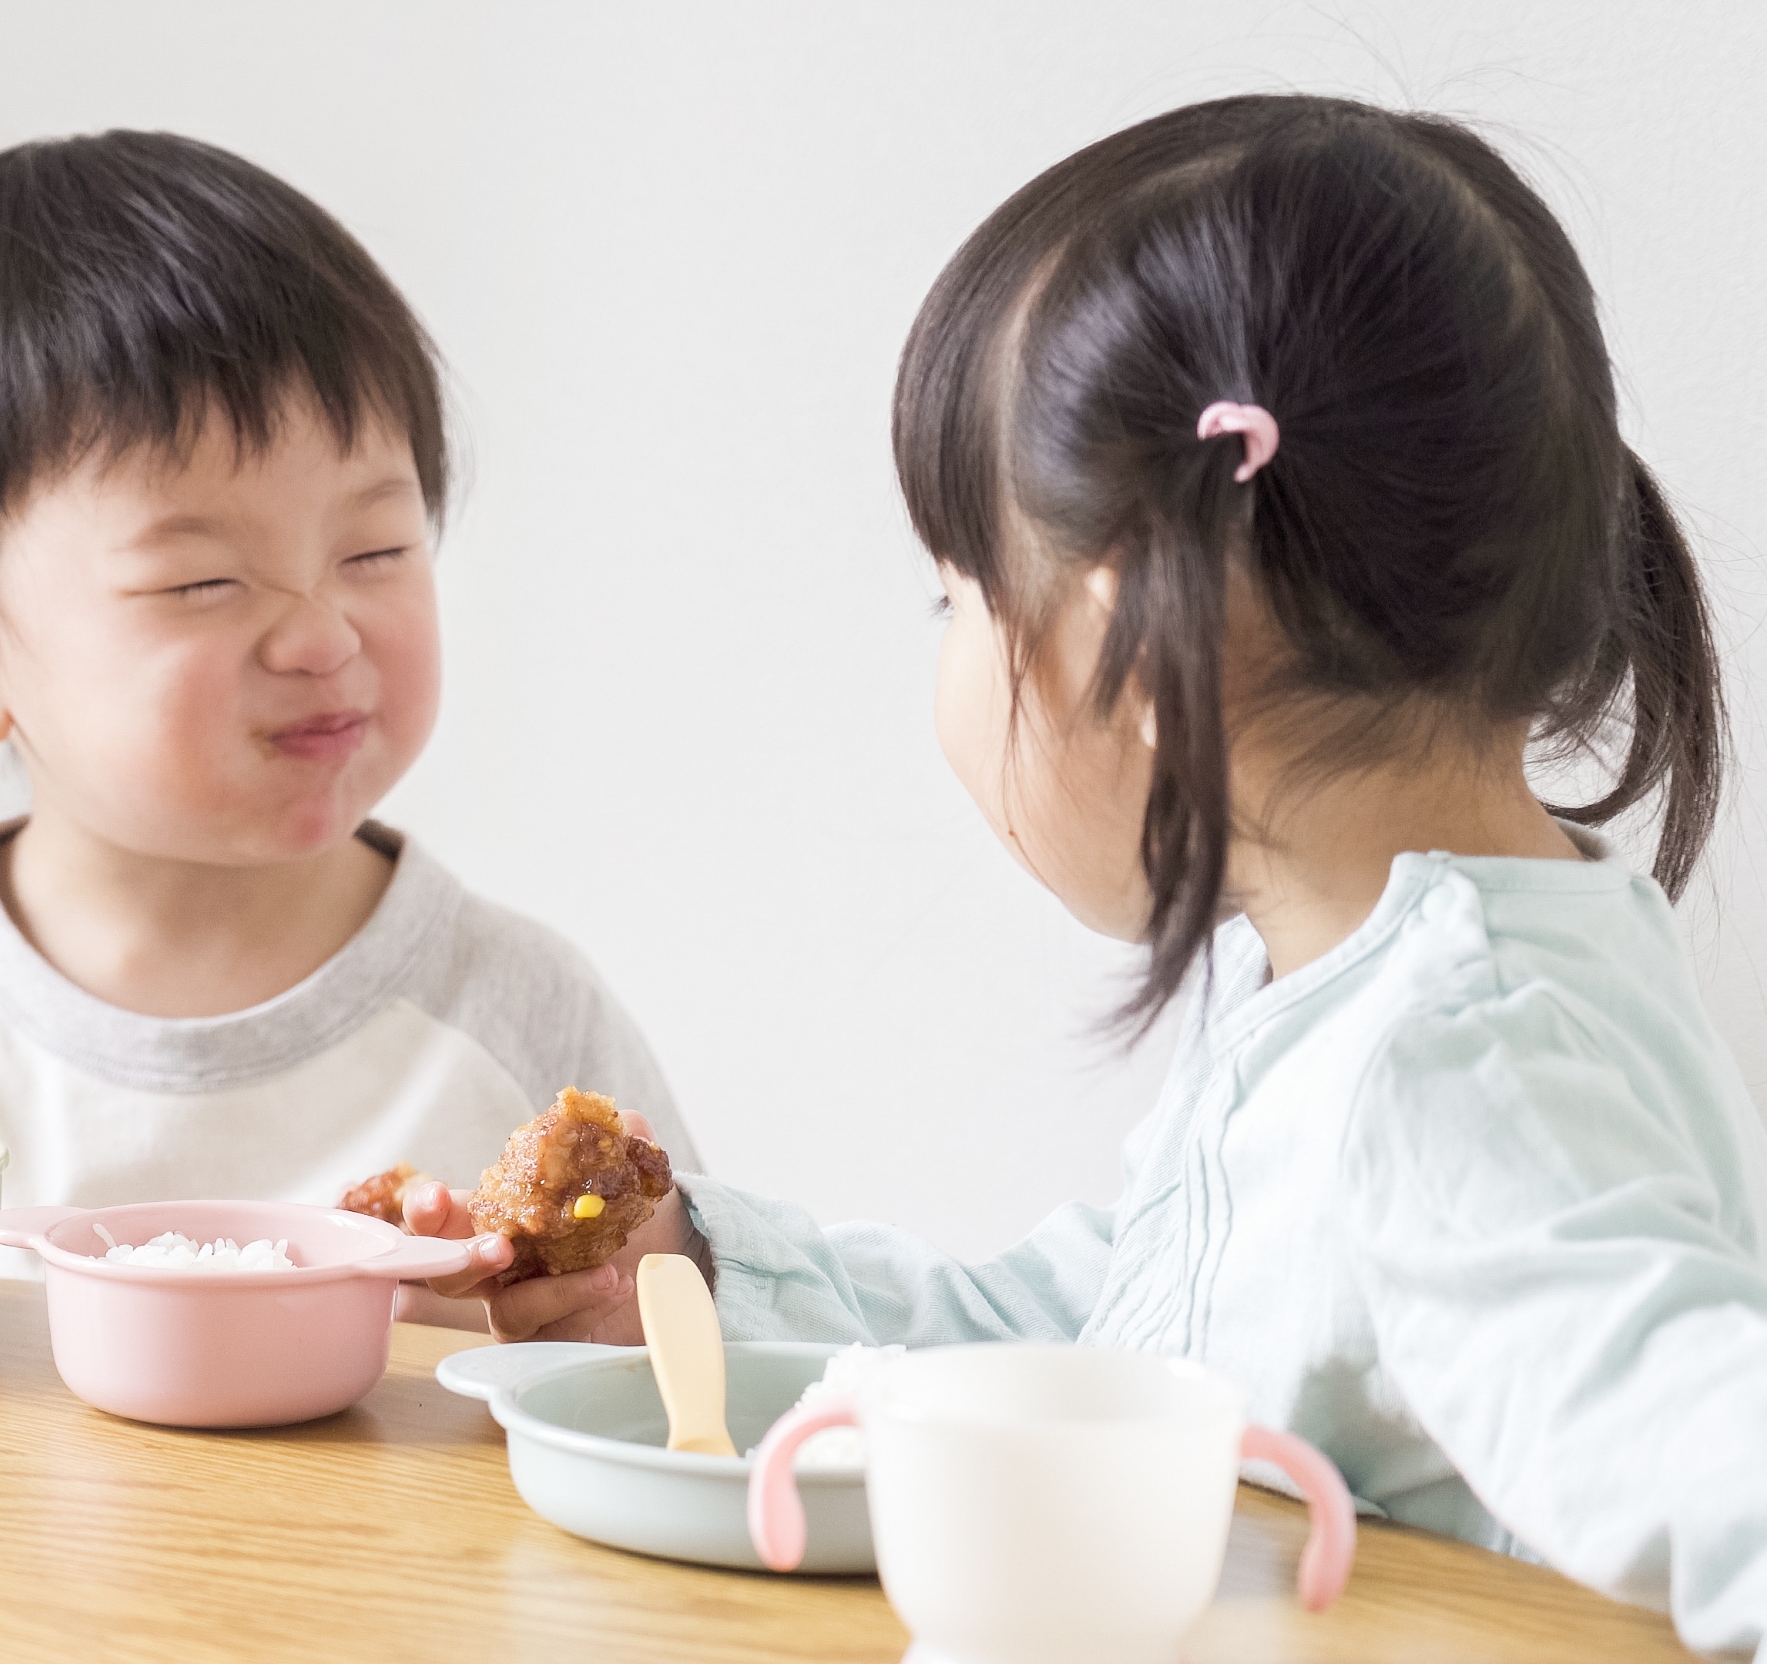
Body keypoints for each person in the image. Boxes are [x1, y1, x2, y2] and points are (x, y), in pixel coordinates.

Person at [410, 96, 1767, 1652]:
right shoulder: (1367, 981)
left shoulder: (1455, 1071)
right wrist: (705, 1274)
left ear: (1138, 644)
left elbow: (1718, 1458)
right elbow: (1115, 1340)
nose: (947, 665)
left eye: (957, 601)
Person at [0, 132, 695, 1302]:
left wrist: (615, 1317)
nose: (322, 635)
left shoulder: (526, 1022)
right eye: (201, 580)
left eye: (374, 548)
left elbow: (689, 1373)